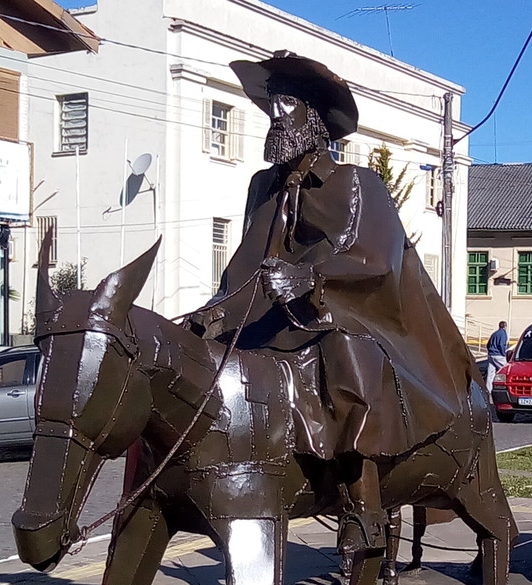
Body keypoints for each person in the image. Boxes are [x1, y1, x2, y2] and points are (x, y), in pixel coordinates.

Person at [190, 51, 479, 547]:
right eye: (271, 108)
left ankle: (362, 499)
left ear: (316, 121)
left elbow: (375, 256)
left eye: (287, 107)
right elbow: (246, 258)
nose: (275, 118)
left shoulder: (357, 183)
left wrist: (307, 279)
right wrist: (218, 307)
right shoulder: (262, 188)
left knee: (341, 350)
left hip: (349, 310)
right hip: (269, 316)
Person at [486, 321, 509, 390]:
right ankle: (503, 387)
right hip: (498, 355)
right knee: (505, 370)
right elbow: (501, 345)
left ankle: (488, 390)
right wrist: (503, 354)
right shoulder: (503, 333)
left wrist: (490, 351)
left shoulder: (494, 334)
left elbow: (488, 344)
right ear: (505, 327)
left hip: (491, 355)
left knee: (490, 374)